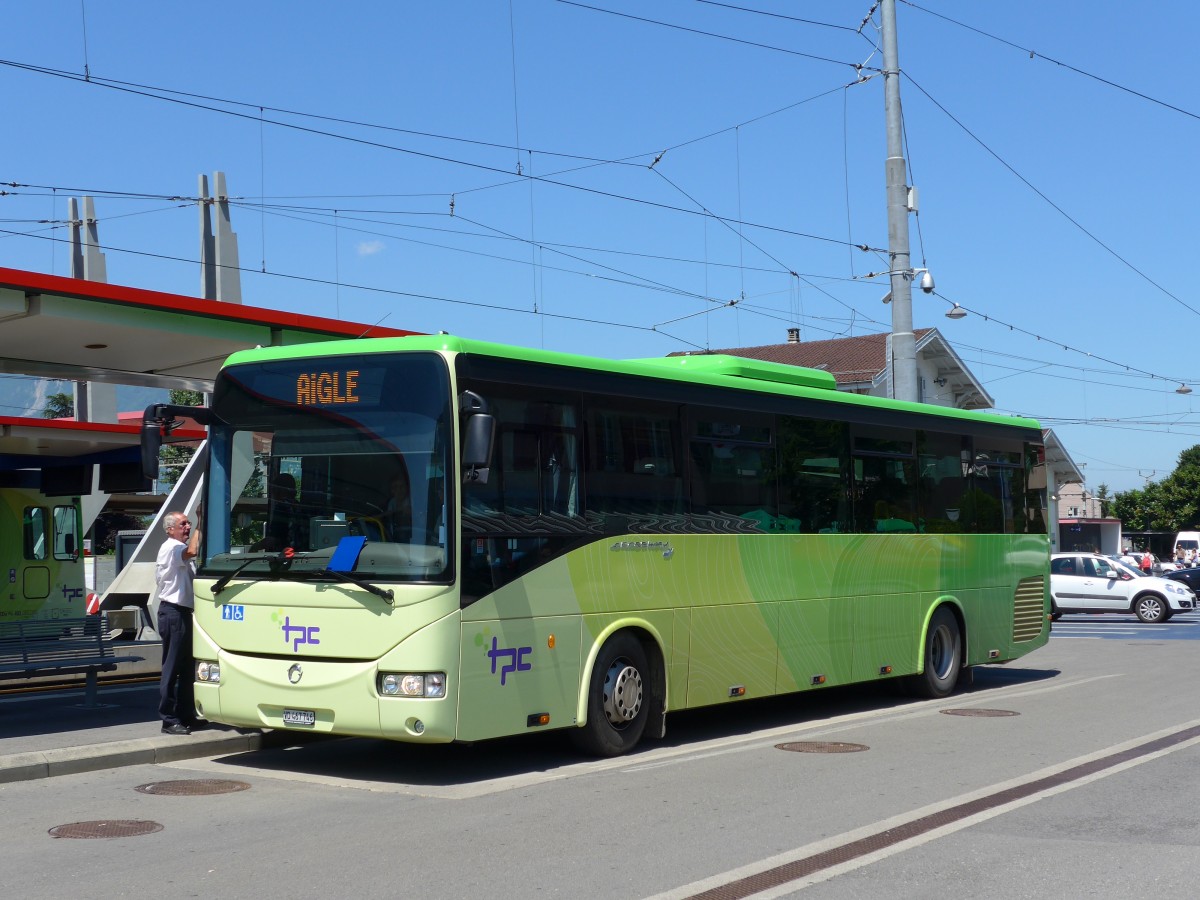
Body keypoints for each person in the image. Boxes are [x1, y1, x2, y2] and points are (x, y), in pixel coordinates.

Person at [156, 508, 202, 735]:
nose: (188, 527)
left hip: (182, 612)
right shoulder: (172, 547)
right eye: (183, 524)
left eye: (189, 523)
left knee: (186, 668)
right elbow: (193, 550)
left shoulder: (177, 548)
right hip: (173, 612)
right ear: (170, 529)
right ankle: (168, 719)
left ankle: (186, 715)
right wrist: (203, 520)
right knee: (172, 667)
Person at [252, 473, 298, 551]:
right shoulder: (299, 507)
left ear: (278, 490)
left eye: (273, 489)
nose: (272, 493)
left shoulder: (281, 507)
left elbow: (272, 540)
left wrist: (254, 548)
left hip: (284, 557)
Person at [385, 468, 412, 543]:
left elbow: (410, 512)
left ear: (407, 488)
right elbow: (388, 515)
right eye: (395, 487)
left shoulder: (411, 501)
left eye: (401, 487)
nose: (399, 490)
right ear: (392, 490)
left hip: (411, 536)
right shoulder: (392, 502)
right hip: (394, 535)